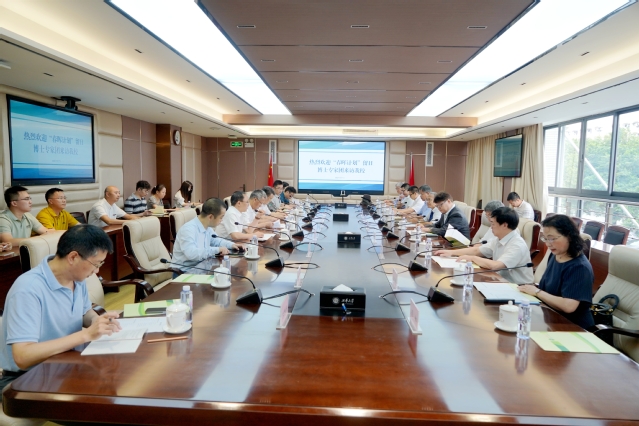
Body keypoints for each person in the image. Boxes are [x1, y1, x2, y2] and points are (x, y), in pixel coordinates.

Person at [0, 225, 121, 404]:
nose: (97, 271)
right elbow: (23, 357)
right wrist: (86, 335)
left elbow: (83, 312)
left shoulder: (77, 279)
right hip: (26, 377)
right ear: (73, 257)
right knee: (101, 404)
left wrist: (98, 321)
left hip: (64, 362)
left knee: (114, 383)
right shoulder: (28, 290)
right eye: (96, 264)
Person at [519, 214, 595, 329]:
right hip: (550, 317)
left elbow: (568, 306)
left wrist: (537, 292)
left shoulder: (579, 267)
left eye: (552, 238)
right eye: (545, 238)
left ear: (569, 236)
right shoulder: (555, 255)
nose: (548, 244)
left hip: (572, 326)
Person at [435, 207, 533, 284]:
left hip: (518, 288)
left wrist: (472, 258)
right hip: (500, 281)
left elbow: (496, 266)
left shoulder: (517, 245)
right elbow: (477, 250)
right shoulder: (499, 239)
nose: (491, 227)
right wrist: (451, 252)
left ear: (504, 225)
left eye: (493, 224)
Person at [171, 198, 243, 272]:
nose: (222, 220)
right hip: (184, 272)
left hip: (201, 267)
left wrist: (232, 245)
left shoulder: (207, 228)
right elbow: (191, 254)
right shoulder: (188, 229)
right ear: (210, 217)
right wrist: (217, 250)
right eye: (221, 217)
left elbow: (217, 241)